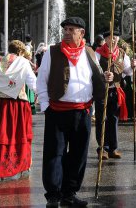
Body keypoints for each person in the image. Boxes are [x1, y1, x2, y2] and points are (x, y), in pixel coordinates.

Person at [37, 17, 105, 207]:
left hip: (82, 111)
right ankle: (53, 195)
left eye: (71, 30)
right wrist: (46, 106)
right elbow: (41, 80)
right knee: (54, 154)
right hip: (57, 111)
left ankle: (69, 193)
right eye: (65, 29)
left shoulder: (90, 52)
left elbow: (97, 76)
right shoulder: (52, 52)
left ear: (81, 33)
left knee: (78, 155)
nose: (67, 32)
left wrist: (106, 77)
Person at [0, 40, 36, 181]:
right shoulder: (23, 62)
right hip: (17, 104)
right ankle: (19, 165)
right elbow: (32, 83)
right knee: (17, 135)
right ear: (20, 52)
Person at [95, 31, 136, 159]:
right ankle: (103, 148)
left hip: (116, 90)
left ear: (118, 39)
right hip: (102, 91)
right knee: (102, 119)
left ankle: (113, 148)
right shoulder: (98, 53)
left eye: (115, 38)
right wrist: (104, 76)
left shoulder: (122, 54)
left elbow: (127, 72)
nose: (112, 40)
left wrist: (133, 67)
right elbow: (95, 72)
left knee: (113, 119)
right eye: (109, 38)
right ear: (105, 39)